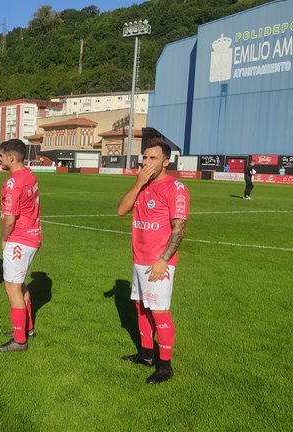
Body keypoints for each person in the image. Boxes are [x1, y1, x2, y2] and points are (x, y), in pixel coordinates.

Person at [117, 138, 189, 384]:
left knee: (159, 311)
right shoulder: (142, 185)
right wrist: (138, 183)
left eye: (153, 158)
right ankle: (146, 353)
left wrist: (163, 260)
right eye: (145, 158)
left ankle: (165, 366)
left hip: (158, 262)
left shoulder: (175, 188)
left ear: (166, 161)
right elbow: (121, 210)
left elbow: (179, 229)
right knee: (140, 307)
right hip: (139, 258)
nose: (147, 162)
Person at [0, 139, 41, 352]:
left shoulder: (13, 183)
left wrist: (4, 238)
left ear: (11, 158)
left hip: (19, 239)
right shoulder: (30, 175)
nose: (0, 159)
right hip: (32, 236)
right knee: (20, 284)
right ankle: (27, 327)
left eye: (2, 156)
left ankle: (19, 340)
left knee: (12, 286)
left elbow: (10, 218)